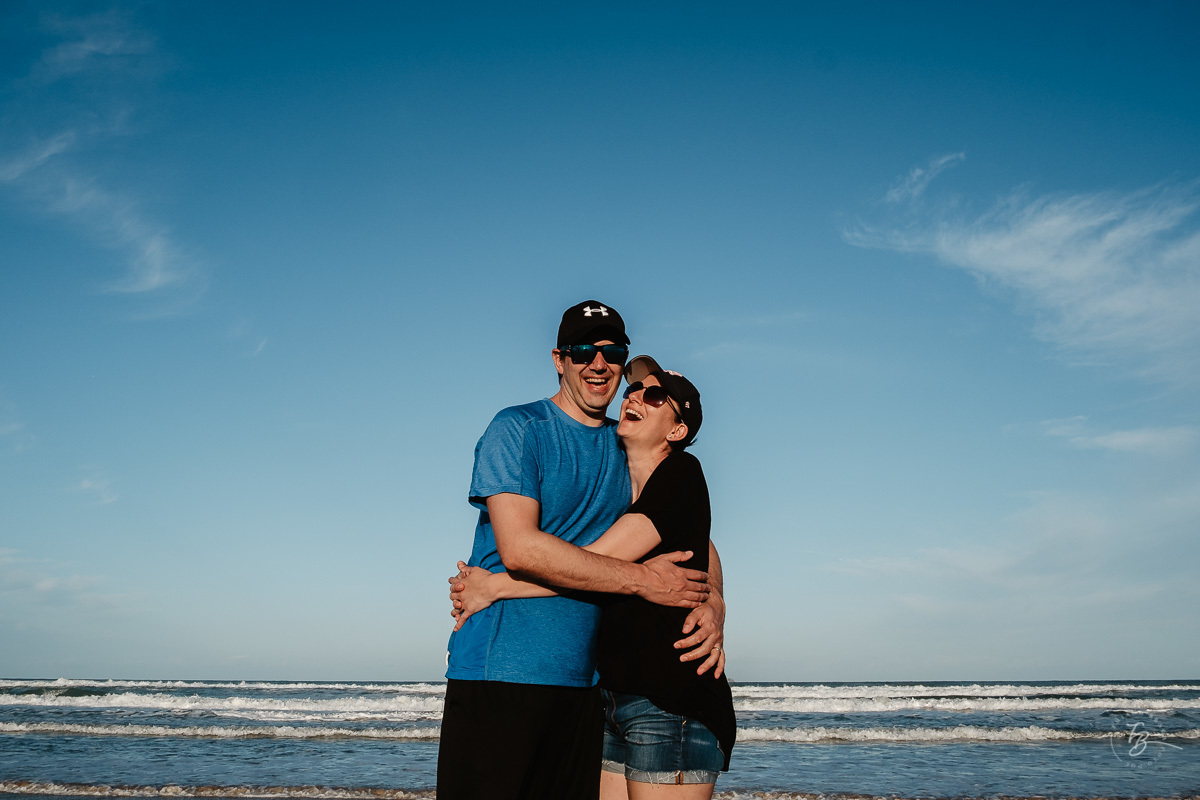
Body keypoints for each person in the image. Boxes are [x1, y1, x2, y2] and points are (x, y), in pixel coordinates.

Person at [436, 301, 726, 800]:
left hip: (589, 690)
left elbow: (694, 536)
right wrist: (639, 579)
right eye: (582, 351)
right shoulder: (519, 428)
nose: (599, 363)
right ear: (559, 358)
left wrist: (714, 600)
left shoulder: (626, 447)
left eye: (612, 352)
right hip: (504, 671)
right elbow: (521, 548)